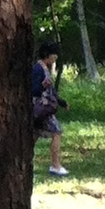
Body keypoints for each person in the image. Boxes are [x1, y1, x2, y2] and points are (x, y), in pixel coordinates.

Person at [31, 35, 70, 178]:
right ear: (47, 55)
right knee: (56, 132)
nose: (55, 59)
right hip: (42, 109)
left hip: (44, 108)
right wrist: (42, 86)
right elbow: (34, 90)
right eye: (54, 56)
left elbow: (51, 91)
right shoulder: (38, 70)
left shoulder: (44, 69)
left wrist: (61, 102)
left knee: (34, 135)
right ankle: (55, 165)